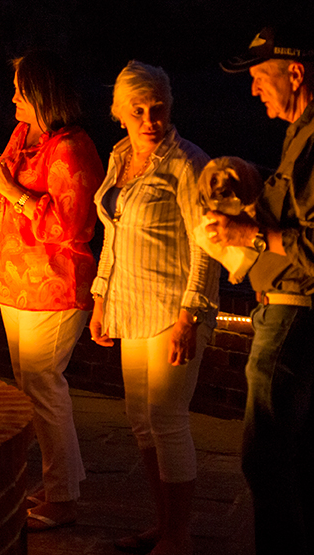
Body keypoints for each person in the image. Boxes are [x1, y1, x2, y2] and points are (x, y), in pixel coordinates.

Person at [205, 26, 314, 555]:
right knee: (306, 452)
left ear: (295, 73)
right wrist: (251, 176)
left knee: (268, 456)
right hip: (312, 315)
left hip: (297, 318)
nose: (254, 90)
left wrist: (246, 234)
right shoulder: (311, 130)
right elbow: (307, 202)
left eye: (260, 77)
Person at [89, 61, 220, 555]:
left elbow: (206, 244)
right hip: (130, 302)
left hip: (172, 308)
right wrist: (101, 297)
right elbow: (113, 233)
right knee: (141, 419)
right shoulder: (120, 155)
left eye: (157, 108)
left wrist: (191, 314)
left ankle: (180, 536)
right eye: (138, 110)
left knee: (167, 416)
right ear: (120, 113)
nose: (149, 119)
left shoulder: (187, 163)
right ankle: (163, 524)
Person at [0, 51, 104, 532]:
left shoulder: (71, 148)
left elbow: (74, 225)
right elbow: (7, 189)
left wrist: (13, 194)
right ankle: (58, 481)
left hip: (53, 283)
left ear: (41, 95)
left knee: (45, 386)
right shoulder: (23, 136)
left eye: (19, 90)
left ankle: (64, 497)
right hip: (16, 280)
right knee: (33, 388)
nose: (11, 97)